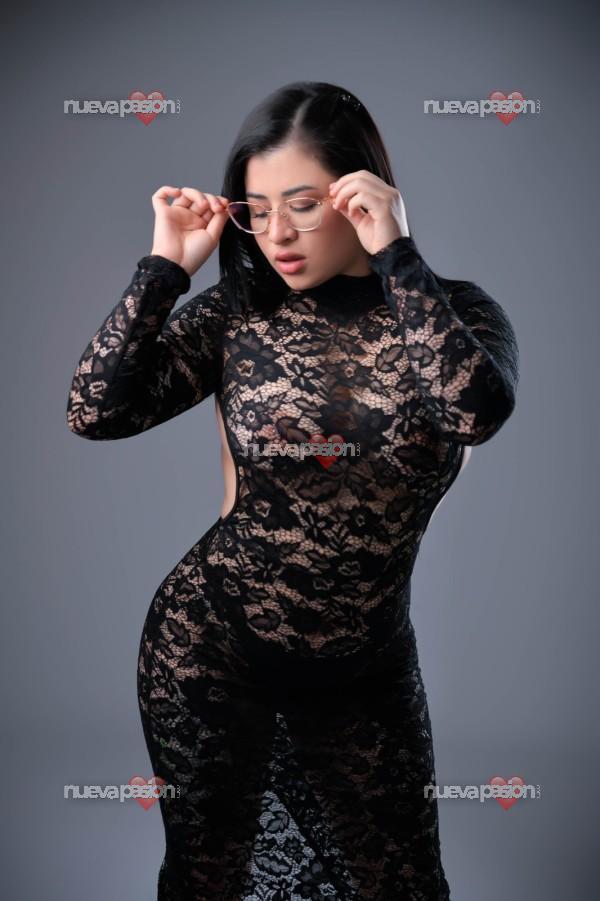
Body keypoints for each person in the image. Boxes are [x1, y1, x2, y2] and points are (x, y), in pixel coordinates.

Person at [66, 80, 519, 900]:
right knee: (208, 877)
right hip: (212, 645)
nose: (277, 233)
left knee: (405, 884)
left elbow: (472, 411)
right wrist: (165, 267)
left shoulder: (456, 313)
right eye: (257, 210)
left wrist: (398, 255)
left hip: (366, 666)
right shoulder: (239, 315)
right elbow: (96, 412)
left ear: (363, 195)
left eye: (303, 206)